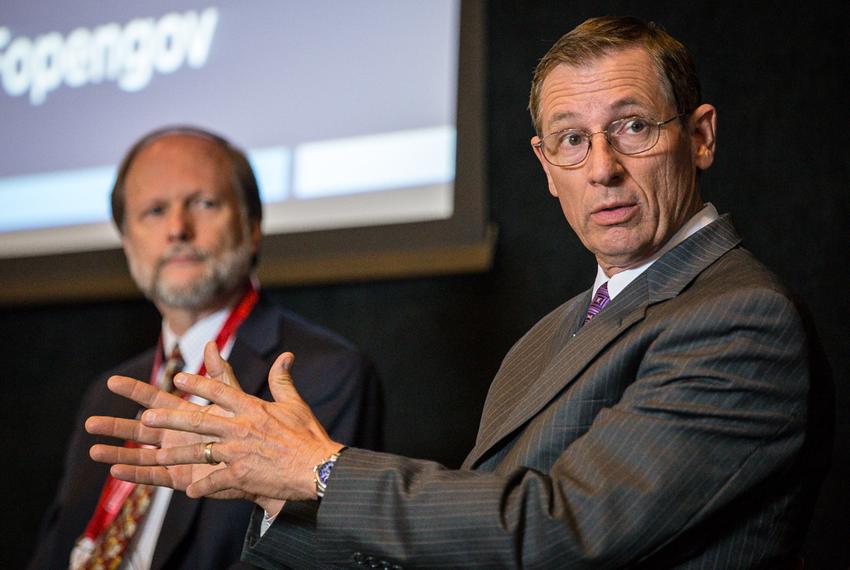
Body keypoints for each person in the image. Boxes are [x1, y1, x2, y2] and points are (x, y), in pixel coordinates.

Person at [86, 17, 829, 568]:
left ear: (700, 137)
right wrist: (280, 491)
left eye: (632, 127)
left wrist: (321, 469)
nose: (601, 167)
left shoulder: (739, 320)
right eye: (572, 139)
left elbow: (555, 532)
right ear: (545, 166)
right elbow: (460, 549)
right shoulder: (548, 336)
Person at [29, 127, 382, 570]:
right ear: (126, 242)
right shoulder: (108, 392)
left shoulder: (323, 374)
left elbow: (318, 556)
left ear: (252, 227)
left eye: (203, 203)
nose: (178, 229)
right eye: (154, 211)